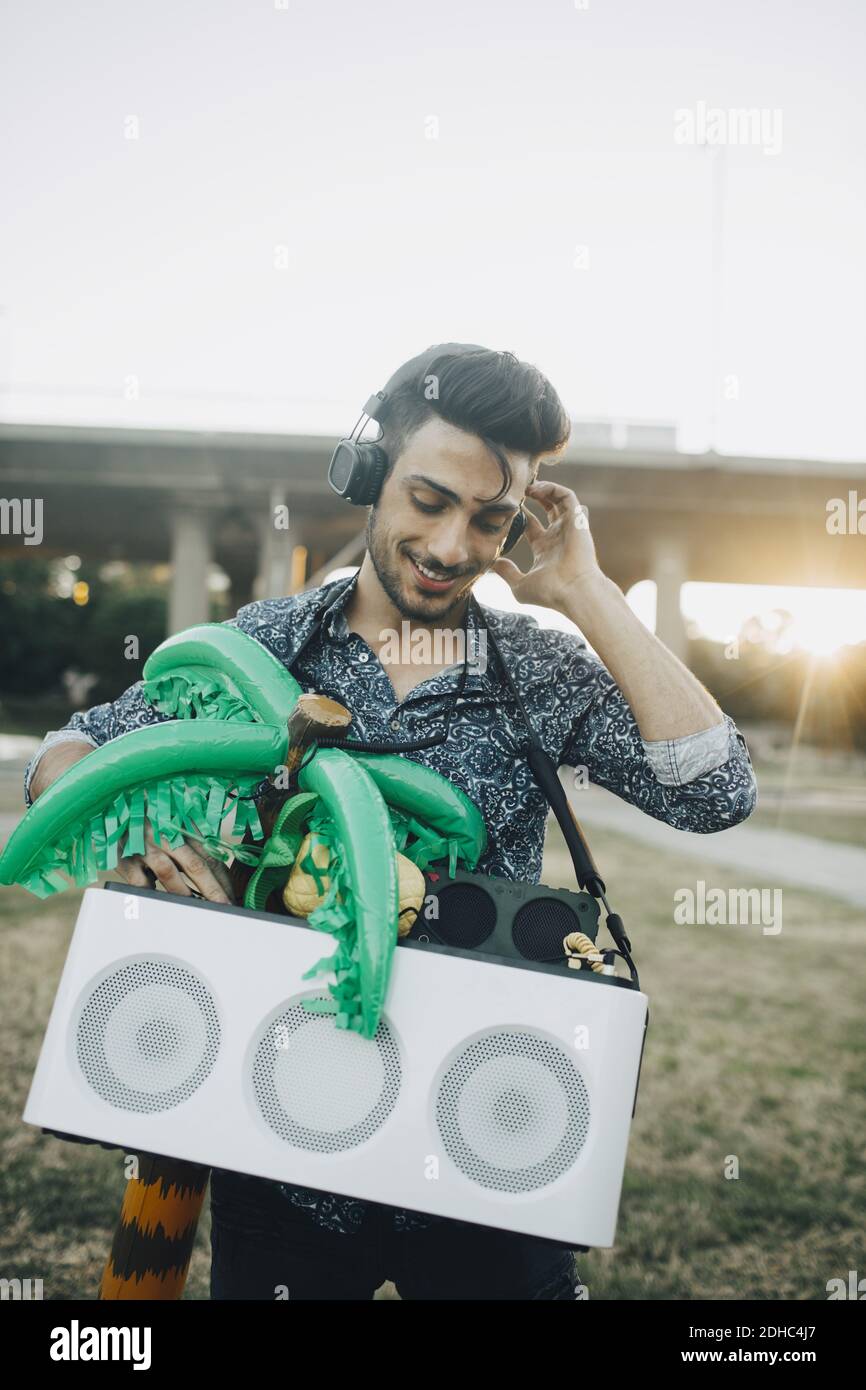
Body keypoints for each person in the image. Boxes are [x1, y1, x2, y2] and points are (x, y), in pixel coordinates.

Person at [24, 345, 757, 1300]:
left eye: (490, 520)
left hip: (484, 1151)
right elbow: (67, 751)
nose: (454, 547)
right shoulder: (264, 646)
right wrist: (130, 833)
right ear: (369, 475)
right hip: (280, 1152)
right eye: (428, 500)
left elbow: (716, 792)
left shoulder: (535, 668)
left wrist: (585, 589)